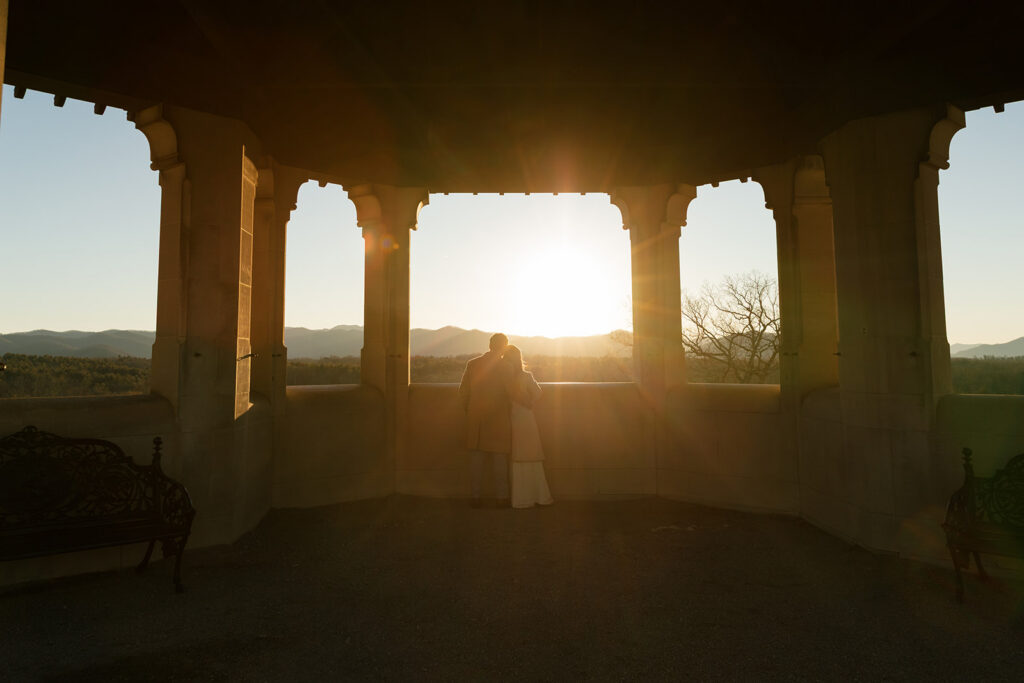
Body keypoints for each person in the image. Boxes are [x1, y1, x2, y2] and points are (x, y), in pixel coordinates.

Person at [458, 332, 515, 508]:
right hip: (499, 420)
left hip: (476, 420)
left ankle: (475, 497)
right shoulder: (507, 366)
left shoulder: (472, 364)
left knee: (476, 463)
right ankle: (502, 498)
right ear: (504, 346)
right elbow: (513, 393)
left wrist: (471, 410)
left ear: (490, 345)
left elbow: (463, 393)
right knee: (500, 462)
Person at [503, 345, 553, 509]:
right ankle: (537, 495)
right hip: (525, 417)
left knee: (517, 455)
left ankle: (521, 497)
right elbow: (538, 393)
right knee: (529, 454)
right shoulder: (526, 376)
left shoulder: (505, 378)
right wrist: (528, 403)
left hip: (513, 417)